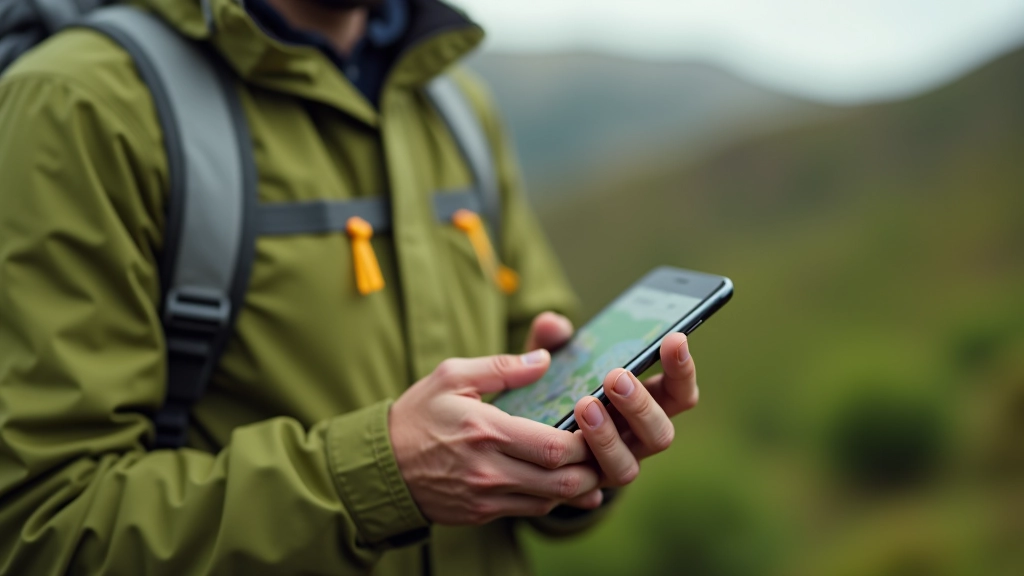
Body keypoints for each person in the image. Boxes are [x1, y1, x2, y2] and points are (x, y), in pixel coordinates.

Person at [0, 0, 700, 573]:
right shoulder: (76, 104)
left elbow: (522, 468)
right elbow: (40, 526)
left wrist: (571, 464)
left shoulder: (454, 105)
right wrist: (378, 480)